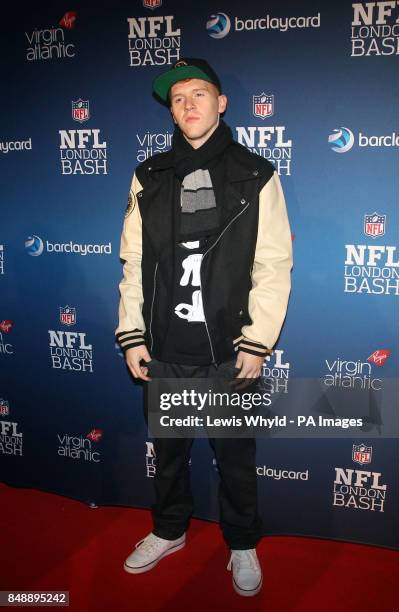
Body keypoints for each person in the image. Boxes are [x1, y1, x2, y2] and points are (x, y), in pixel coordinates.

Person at [115, 58, 292, 597]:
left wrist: (258, 340)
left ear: (222, 102)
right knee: (168, 455)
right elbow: (133, 260)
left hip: (228, 352)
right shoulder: (150, 175)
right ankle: (169, 530)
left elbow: (273, 264)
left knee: (235, 456)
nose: (188, 105)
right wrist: (133, 332)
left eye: (199, 93)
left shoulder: (256, 174)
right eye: (177, 99)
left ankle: (241, 542)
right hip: (166, 348)